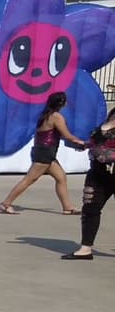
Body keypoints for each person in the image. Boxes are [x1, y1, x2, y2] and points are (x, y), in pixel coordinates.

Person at [0, 91, 84, 214]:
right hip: (45, 153)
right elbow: (67, 135)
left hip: (44, 151)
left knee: (61, 177)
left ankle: (67, 207)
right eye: (65, 101)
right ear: (61, 103)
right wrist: (81, 142)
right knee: (29, 179)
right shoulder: (56, 117)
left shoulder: (45, 115)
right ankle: (6, 204)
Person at [61, 106, 115, 259]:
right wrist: (84, 144)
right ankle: (85, 248)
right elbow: (97, 139)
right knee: (90, 208)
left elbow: (104, 135)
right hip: (98, 173)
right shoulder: (108, 120)